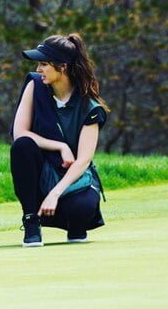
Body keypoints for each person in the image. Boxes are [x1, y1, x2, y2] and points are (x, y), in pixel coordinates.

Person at [10, 33, 109, 247]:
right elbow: (20, 132)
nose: (38, 69)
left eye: (44, 64)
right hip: (41, 177)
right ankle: (31, 220)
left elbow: (82, 161)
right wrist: (60, 146)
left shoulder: (90, 108)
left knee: (81, 209)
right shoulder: (34, 85)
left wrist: (55, 194)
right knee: (22, 147)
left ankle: (74, 223)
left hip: (71, 181)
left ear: (62, 67)